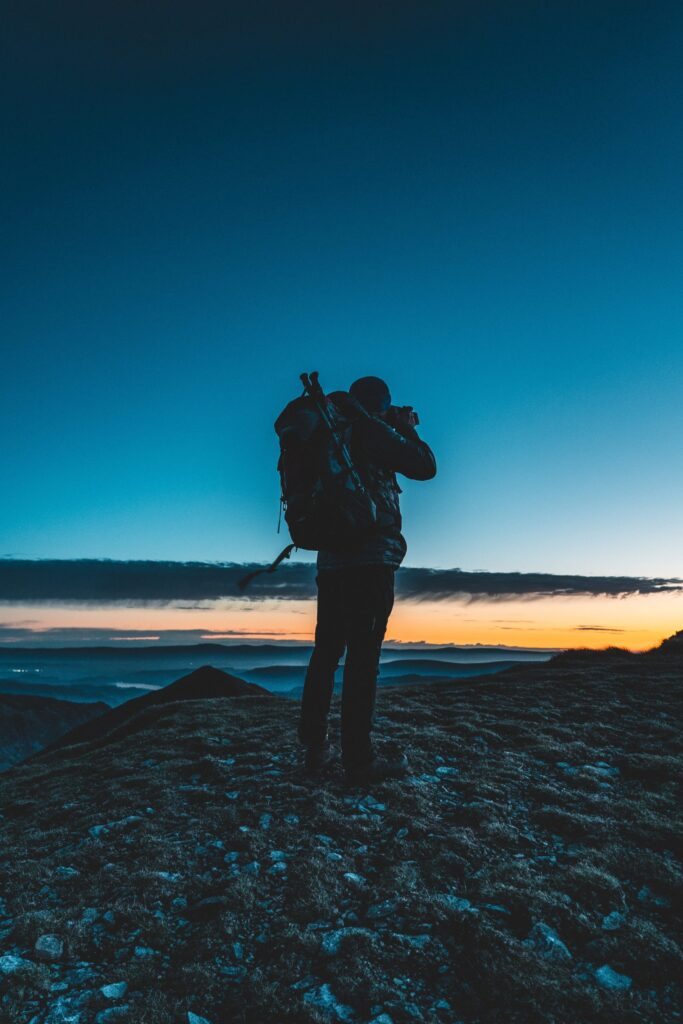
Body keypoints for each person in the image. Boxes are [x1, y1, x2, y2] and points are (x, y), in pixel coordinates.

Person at [297, 375, 437, 784]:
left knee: (326, 654)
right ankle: (360, 760)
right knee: (363, 658)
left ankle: (315, 750)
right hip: (371, 560)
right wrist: (405, 427)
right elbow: (425, 466)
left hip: (331, 563)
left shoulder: (329, 432)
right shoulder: (369, 428)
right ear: (379, 402)